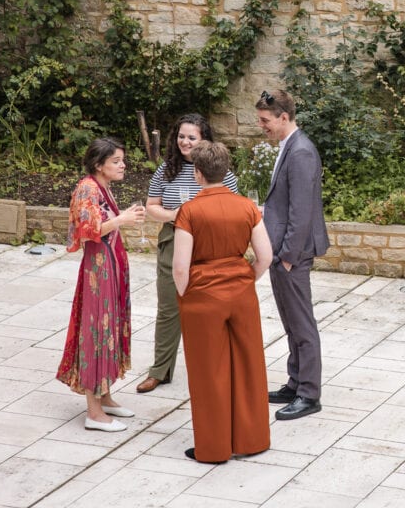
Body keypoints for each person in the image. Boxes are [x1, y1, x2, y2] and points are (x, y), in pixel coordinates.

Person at [172, 141, 272, 463]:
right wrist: (245, 279)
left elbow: (179, 267)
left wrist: (185, 293)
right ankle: (252, 440)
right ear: (226, 171)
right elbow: (265, 256)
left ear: (198, 174)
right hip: (241, 294)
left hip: (203, 297)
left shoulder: (189, 211)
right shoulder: (247, 207)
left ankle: (213, 448)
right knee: (249, 366)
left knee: (208, 372)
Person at [137, 114, 239, 394]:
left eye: (192, 137)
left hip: (208, 245)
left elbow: (231, 209)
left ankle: (216, 368)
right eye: (182, 136)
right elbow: (151, 206)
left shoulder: (222, 174)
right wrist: (175, 214)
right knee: (169, 308)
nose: (185, 141)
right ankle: (160, 371)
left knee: (210, 309)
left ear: (204, 140)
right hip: (173, 239)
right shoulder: (166, 169)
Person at [57, 137, 146, 432]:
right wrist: (122, 219)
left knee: (110, 326)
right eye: (116, 161)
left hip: (110, 265)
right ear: (99, 165)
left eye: (122, 160)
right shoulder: (87, 188)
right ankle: (93, 413)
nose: (123, 165)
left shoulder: (101, 186)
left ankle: (105, 395)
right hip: (98, 272)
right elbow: (87, 230)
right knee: (97, 331)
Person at [255, 89, 330, 421]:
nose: (262, 126)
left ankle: (309, 393)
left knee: (302, 323)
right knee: (290, 321)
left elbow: (302, 212)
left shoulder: (300, 152)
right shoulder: (289, 147)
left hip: (291, 254)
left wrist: (286, 255)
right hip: (281, 251)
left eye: (265, 120)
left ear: (283, 117)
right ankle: (295, 381)